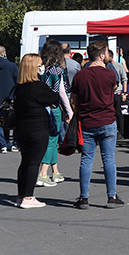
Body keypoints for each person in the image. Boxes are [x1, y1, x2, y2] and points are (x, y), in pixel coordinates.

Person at [70, 40, 125, 209]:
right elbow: (115, 88)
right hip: (107, 120)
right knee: (108, 159)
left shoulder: (80, 75)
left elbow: (73, 100)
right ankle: (112, 196)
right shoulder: (109, 74)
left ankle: (84, 198)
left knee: (86, 159)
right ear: (101, 55)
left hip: (87, 121)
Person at [14, 54, 60, 208]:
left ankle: (21, 196)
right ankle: (28, 197)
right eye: (39, 65)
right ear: (33, 67)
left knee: (25, 162)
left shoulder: (19, 87)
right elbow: (54, 98)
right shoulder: (38, 86)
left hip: (22, 129)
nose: (42, 67)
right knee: (34, 162)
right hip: (38, 129)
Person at [36, 40, 74, 187]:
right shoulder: (57, 70)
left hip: (42, 107)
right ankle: (43, 174)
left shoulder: (42, 69)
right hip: (53, 107)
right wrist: (69, 111)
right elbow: (61, 92)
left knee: (51, 139)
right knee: (52, 140)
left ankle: (55, 171)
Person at [108, 50, 128, 139]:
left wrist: (124, 92)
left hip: (117, 92)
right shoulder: (105, 66)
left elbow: (124, 79)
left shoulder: (119, 66)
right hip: (108, 93)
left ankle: (121, 131)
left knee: (118, 112)